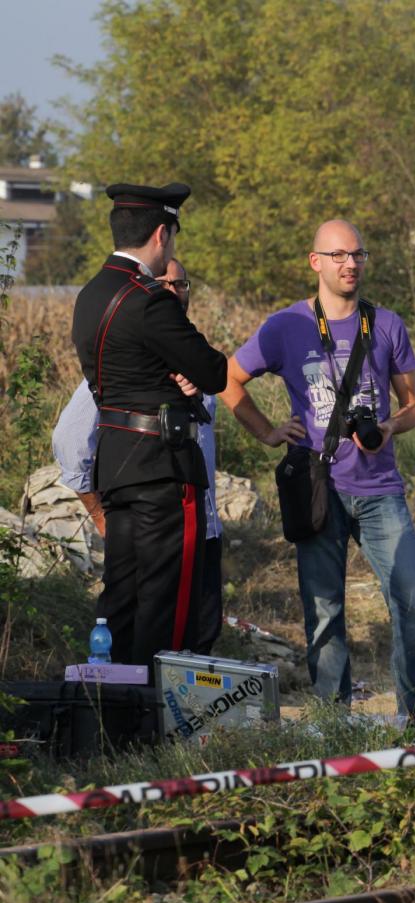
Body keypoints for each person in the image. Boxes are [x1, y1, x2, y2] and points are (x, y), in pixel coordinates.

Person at [220, 219, 415, 727]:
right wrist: (267, 431)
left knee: (414, 598)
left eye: (357, 254)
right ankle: (332, 721)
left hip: (380, 489)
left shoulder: (386, 324)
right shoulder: (285, 326)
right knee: (323, 609)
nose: (350, 264)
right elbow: (229, 378)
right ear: (316, 262)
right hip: (318, 488)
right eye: (338, 255)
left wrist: (388, 426)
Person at [70, 183, 227, 669]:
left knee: (121, 595)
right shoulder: (149, 300)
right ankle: (156, 704)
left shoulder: (91, 294)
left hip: (117, 466)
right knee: (167, 600)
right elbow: (213, 371)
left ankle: (114, 700)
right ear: (162, 234)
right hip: (163, 469)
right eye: (173, 237)